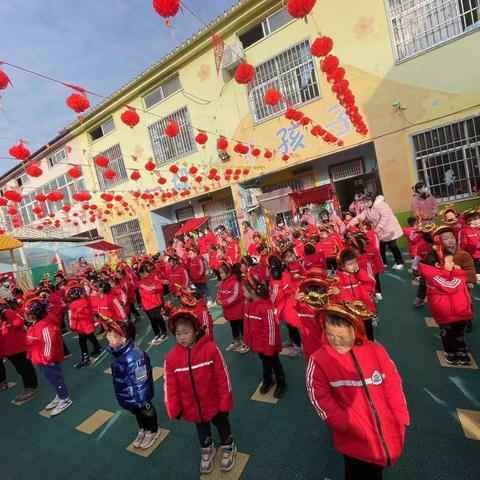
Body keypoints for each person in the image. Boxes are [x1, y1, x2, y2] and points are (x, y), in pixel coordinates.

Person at [306, 301, 409, 480]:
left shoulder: (377, 351)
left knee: (376, 470)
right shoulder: (319, 360)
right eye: (329, 334)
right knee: (356, 472)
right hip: (354, 437)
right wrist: (344, 423)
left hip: (386, 427)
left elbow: (393, 383)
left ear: (355, 330)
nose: (335, 341)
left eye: (342, 336)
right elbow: (317, 395)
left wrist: (399, 414)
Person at [164, 309, 236, 474]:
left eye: (186, 332)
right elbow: (170, 385)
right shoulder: (171, 358)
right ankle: (207, 447)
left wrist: (225, 401)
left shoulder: (211, 349)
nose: (182, 337)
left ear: (196, 331)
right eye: (178, 333)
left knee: (221, 423)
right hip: (193, 405)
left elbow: (222, 377)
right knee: (201, 427)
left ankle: (228, 444)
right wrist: (174, 408)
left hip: (215, 401)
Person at [100, 313, 161, 450]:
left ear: (122, 338)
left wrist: (141, 399)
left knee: (146, 411)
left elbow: (141, 380)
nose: (107, 337)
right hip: (129, 393)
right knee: (137, 413)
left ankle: (153, 430)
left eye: (111, 335)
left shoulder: (135, 356)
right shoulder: (117, 351)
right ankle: (143, 429)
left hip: (139, 394)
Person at [419, 250, 473, 365]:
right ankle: (450, 352)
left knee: (460, 332)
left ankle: (462, 351)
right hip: (445, 312)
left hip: (458, 310)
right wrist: (459, 273)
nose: (453, 263)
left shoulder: (448, 272)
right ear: (438, 265)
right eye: (450, 261)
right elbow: (451, 286)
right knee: (448, 333)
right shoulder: (434, 276)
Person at [24, 297, 73, 416]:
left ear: (37, 314)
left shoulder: (45, 326)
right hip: (40, 358)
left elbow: (48, 344)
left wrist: (45, 359)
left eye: (29, 314)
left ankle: (65, 398)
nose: (26, 316)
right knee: (51, 379)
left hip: (47, 360)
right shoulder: (37, 323)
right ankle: (59, 394)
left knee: (56, 378)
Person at [243, 273, 287, 398]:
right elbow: (247, 324)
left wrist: (270, 348)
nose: (243, 293)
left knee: (274, 363)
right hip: (257, 344)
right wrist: (247, 340)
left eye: (244, 291)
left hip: (268, 345)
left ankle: (281, 382)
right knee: (264, 362)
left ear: (252, 291)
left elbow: (271, 329)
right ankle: (268, 379)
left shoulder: (265, 307)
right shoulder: (248, 304)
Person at [329, 249, 377, 340]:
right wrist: (340, 292)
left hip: (364, 312)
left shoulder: (359, 275)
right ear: (342, 266)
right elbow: (338, 301)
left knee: (369, 335)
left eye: (355, 262)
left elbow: (371, 285)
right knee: (355, 336)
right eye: (350, 264)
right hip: (351, 315)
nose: (354, 265)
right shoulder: (337, 280)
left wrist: (360, 273)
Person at [436, 225, 476, 332]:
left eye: (452, 238)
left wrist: (470, 280)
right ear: (440, 242)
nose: (450, 241)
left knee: (466, 303)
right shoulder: (439, 254)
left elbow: (469, 268)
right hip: (449, 284)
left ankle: (468, 321)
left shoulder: (463, 254)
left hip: (462, 285)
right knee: (452, 303)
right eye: (446, 239)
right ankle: (454, 319)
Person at [349, 195, 404, 269]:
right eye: (364, 202)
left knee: (392, 245)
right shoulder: (367, 209)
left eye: (366, 201)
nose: (365, 203)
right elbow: (360, 216)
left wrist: (379, 227)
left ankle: (399, 262)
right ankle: (383, 262)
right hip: (380, 232)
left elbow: (385, 217)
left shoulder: (381, 205)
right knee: (381, 246)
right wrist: (350, 224)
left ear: (371, 200)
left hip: (390, 229)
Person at [0, 299, 39, 402]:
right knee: (21, 370)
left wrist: (5, 311)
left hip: (20, 349)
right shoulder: (2, 322)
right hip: (10, 353)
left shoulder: (11, 315)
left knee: (26, 368)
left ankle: (33, 387)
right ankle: (27, 388)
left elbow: (18, 323)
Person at [268, 255, 301, 358]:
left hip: (288, 302)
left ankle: (297, 346)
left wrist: (271, 304)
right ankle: (291, 340)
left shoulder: (282, 275)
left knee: (291, 323)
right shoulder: (276, 274)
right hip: (282, 303)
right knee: (288, 324)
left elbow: (277, 293)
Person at [67, 282, 102, 368]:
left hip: (81, 328)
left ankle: (85, 358)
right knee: (91, 336)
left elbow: (73, 319)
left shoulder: (72, 306)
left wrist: (72, 328)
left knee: (82, 343)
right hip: (89, 324)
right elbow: (91, 312)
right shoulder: (86, 301)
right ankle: (97, 348)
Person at [216, 263, 249, 353]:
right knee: (233, 327)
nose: (220, 275)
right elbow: (220, 292)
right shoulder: (223, 283)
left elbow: (235, 296)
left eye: (222, 273)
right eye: (220, 273)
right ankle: (236, 340)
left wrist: (223, 302)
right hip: (229, 312)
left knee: (241, 328)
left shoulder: (235, 282)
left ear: (228, 273)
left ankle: (246, 343)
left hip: (238, 312)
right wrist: (218, 299)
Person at [136, 261, 168, 345]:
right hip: (147, 305)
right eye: (143, 273)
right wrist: (154, 287)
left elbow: (160, 287)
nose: (145, 274)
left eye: (146, 272)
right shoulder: (139, 283)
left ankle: (164, 333)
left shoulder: (153, 277)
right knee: (153, 321)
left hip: (156, 303)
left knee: (159, 318)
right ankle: (157, 334)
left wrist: (154, 287)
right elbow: (149, 290)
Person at [459, 209, 480, 276]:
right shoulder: (464, 231)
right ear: (467, 222)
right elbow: (463, 245)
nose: (476, 221)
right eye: (472, 220)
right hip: (475, 258)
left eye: (477, 218)